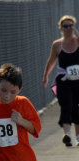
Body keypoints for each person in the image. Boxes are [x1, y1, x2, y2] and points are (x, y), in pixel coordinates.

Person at [43, 15, 79, 147]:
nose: (68, 28)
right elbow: (51, 61)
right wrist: (46, 75)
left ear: (74, 27)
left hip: (78, 81)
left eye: (71, 26)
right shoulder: (57, 45)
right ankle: (67, 135)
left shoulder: (78, 41)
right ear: (61, 28)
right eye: (65, 26)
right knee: (66, 105)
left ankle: (78, 136)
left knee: (77, 107)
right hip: (64, 80)